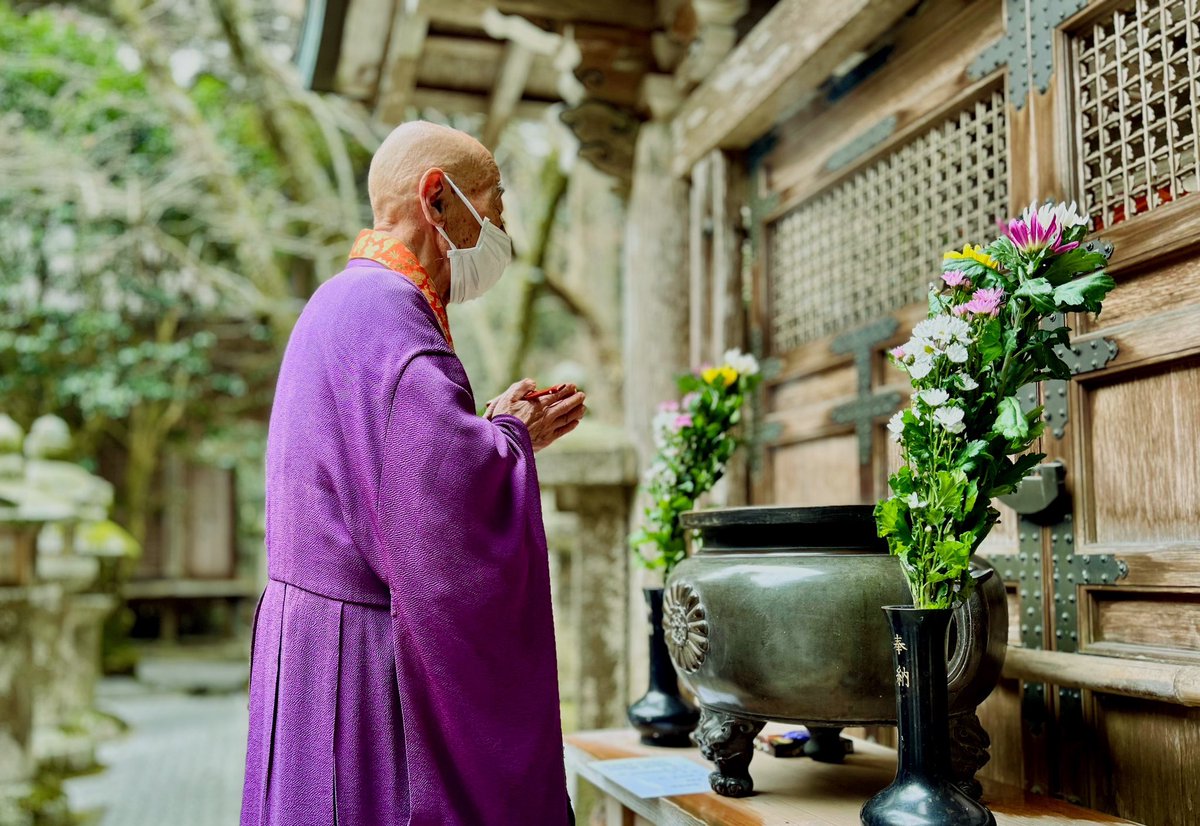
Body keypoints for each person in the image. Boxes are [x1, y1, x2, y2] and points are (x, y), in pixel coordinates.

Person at [240, 120, 586, 825]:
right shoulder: (393, 318)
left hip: (306, 645)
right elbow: (442, 521)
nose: (499, 235)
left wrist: (492, 434)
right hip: (358, 664)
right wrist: (514, 438)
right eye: (492, 211)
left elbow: (402, 470)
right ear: (437, 199)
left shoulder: (337, 301)